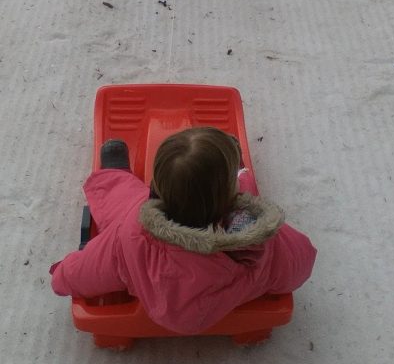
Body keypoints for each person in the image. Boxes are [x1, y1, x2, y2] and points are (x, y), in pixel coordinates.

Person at [50, 129, 316, 335]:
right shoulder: (258, 245)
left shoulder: (132, 236)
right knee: (247, 198)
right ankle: (238, 172)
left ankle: (113, 175)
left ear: (157, 188)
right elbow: (301, 258)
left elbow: (89, 267)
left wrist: (61, 274)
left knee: (124, 199)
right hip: (216, 298)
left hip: (168, 304)